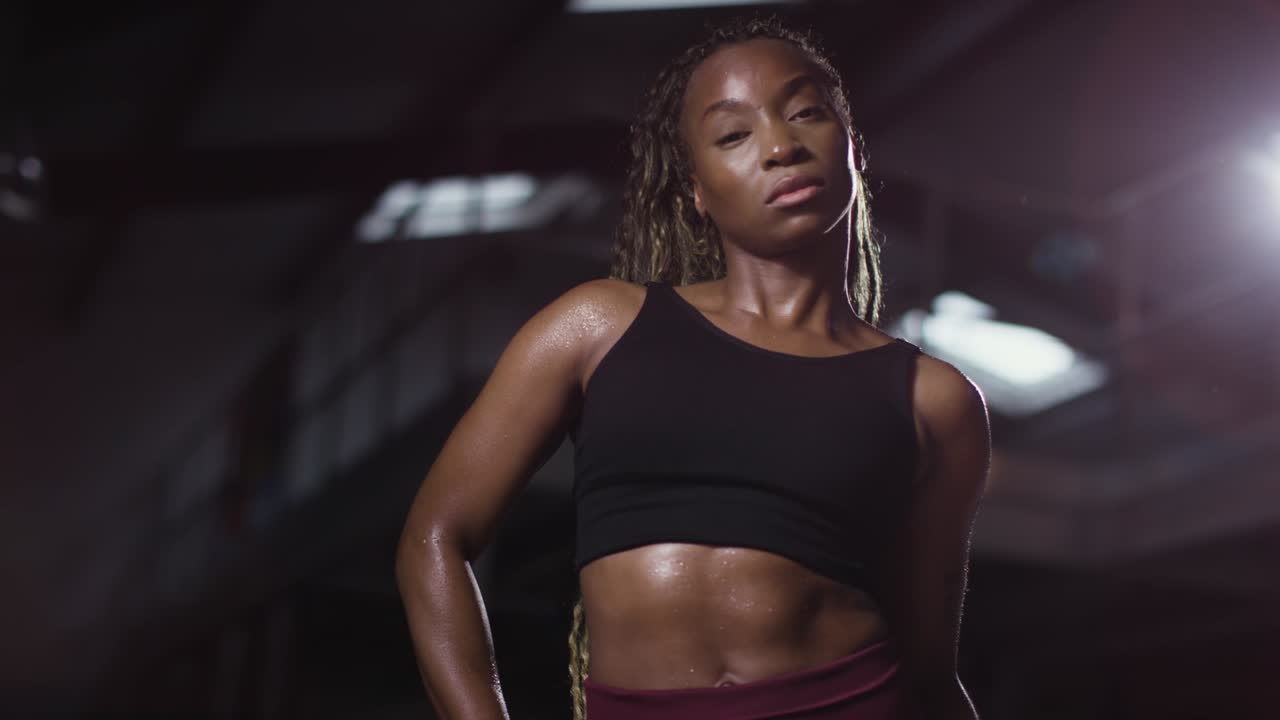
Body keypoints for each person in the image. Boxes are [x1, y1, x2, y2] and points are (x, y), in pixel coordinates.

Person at [396, 16, 989, 720]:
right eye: (734, 134)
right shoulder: (597, 327)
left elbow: (929, 672)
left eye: (806, 112)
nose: (780, 146)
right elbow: (434, 537)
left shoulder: (934, 399)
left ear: (853, 149)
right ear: (697, 192)